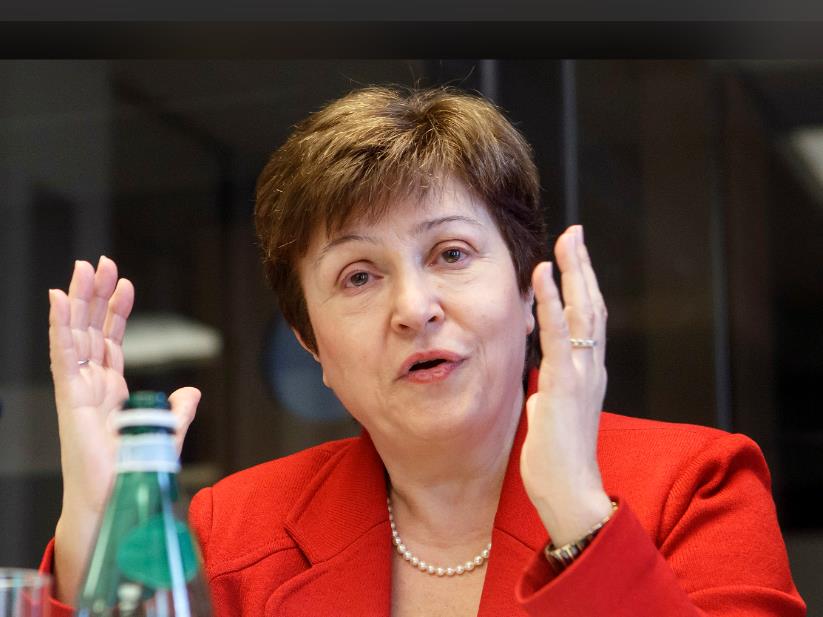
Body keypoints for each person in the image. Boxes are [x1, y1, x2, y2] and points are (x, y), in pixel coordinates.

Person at [42, 86, 805, 616]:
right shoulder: (228, 531)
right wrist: (95, 537)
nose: (413, 308)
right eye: (359, 275)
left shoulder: (696, 486)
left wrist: (578, 519)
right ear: (312, 344)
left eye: (450, 253)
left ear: (525, 290)